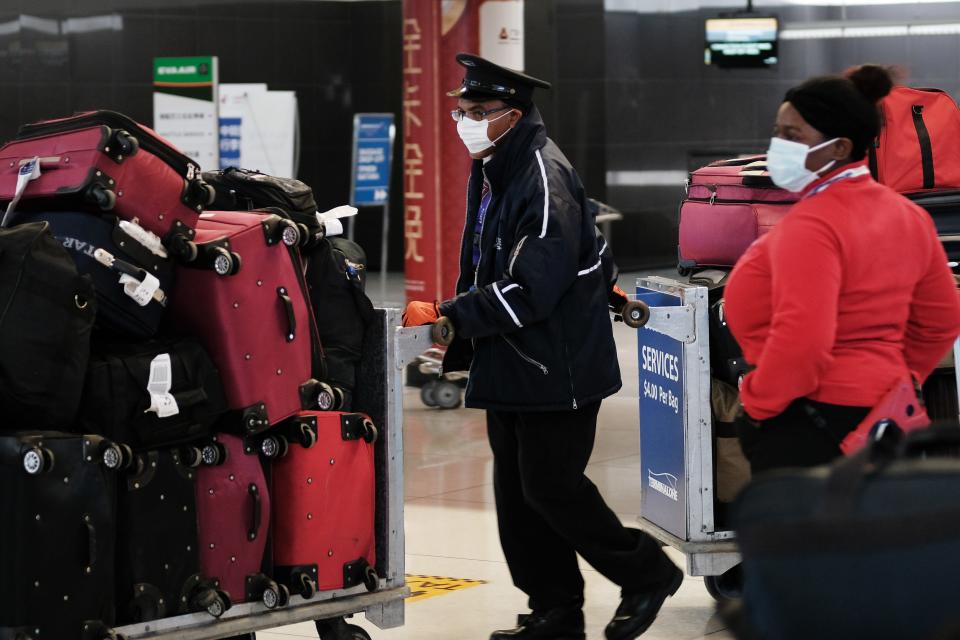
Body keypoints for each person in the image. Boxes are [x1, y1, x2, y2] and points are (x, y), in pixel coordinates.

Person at [402, 53, 682, 640]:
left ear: (514, 113)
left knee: (552, 489)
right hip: (512, 360)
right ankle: (555, 611)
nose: (465, 121)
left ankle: (646, 571)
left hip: (557, 365)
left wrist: (450, 318)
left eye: (479, 111)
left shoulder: (539, 174)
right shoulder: (496, 166)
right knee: (519, 498)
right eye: (461, 110)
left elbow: (532, 289)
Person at [724, 64, 960, 474]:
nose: (778, 145)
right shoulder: (908, 216)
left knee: (802, 536)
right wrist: (897, 375)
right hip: (884, 414)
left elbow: (803, 340)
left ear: (839, 147)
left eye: (792, 135)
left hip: (810, 419)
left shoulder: (814, 225)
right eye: (778, 132)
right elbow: (942, 318)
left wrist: (759, 404)